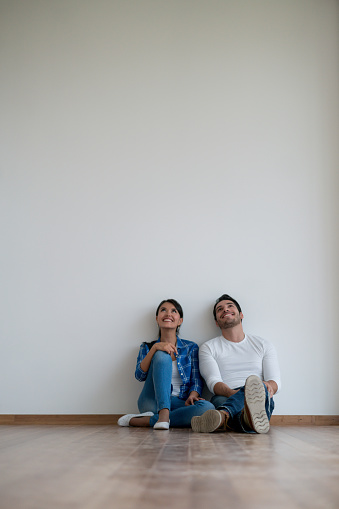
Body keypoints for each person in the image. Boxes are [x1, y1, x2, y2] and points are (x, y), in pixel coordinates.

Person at [118, 299, 214, 430]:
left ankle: (147, 420)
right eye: (163, 310)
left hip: (179, 402)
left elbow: (196, 380)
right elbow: (139, 376)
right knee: (162, 355)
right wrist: (155, 348)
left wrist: (192, 396)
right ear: (157, 319)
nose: (168, 314)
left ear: (180, 320)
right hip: (152, 402)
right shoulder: (147, 347)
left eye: (173, 311)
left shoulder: (191, 347)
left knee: (208, 408)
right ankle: (163, 414)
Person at [191, 294, 281, 434]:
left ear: (241, 315)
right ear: (216, 322)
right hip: (225, 395)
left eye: (230, 306)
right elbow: (213, 383)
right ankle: (247, 421)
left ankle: (223, 417)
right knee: (222, 401)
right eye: (220, 309)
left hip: (258, 395)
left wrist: (262, 388)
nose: (225, 310)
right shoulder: (208, 347)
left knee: (260, 389)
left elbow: (275, 382)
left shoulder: (263, 345)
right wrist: (242, 396)